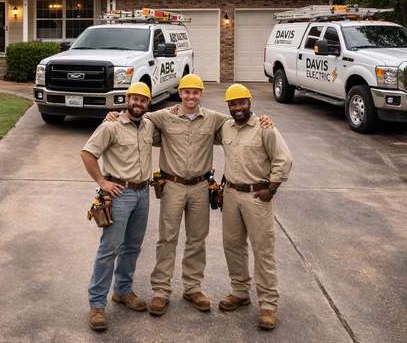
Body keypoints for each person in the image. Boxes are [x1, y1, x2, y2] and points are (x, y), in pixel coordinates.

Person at [105, 74, 272, 316]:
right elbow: (136, 116)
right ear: (180, 94)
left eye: (195, 92)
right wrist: (114, 115)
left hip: (200, 188)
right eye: (186, 92)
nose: (190, 96)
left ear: (201, 94)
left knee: (197, 239)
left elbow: (242, 121)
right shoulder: (164, 116)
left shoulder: (215, 119)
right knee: (167, 238)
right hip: (172, 185)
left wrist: (264, 119)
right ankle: (161, 291)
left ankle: (192, 288)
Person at [81, 82, 158, 332]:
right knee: (109, 248)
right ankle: (97, 304)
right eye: (134, 99)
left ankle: (123, 291)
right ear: (127, 99)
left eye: (143, 100)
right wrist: (102, 182)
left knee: (132, 247)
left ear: (148, 103)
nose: (138, 103)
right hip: (120, 193)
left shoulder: (149, 126)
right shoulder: (111, 125)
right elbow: (87, 153)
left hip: (143, 192)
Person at [217, 83, 292, 331]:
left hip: (257, 197)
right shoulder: (225, 127)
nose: (238, 108)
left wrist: (271, 189)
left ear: (250, 102)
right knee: (232, 246)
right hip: (230, 194)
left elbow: (284, 159)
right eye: (233, 104)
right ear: (228, 106)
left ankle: (268, 305)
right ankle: (240, 292)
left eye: (242, 103)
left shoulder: (265, 128)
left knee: (263, 250)